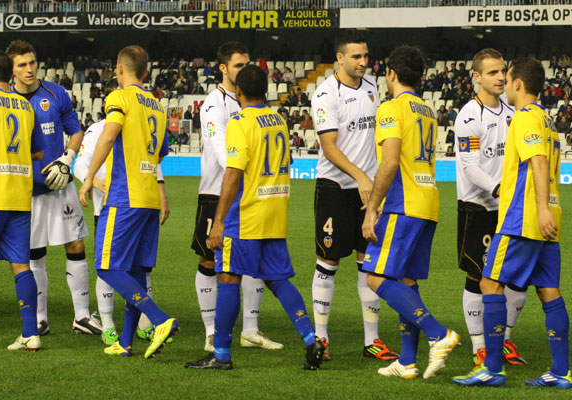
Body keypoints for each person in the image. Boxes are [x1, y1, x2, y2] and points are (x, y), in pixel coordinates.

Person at [184, 65, 325, 371]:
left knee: (228, 278)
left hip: (246, 214)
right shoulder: (278, 120)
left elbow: (233, 173)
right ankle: (312, 338)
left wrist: (219, 220)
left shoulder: (240, 121)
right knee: (277, 279)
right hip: (274, 211)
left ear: (239, 92)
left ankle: (220, 354)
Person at [453, 57, 571, 389]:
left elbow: (536, 160)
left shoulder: (523, 118)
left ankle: (491, 366)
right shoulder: (548, 120)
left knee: (489, 284)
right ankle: (561, 371)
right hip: (548, 216)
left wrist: (538, 210)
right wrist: (549, 207)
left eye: (508, 76)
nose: (504, 80)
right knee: (549, 291)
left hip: (522, 219)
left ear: (518, 83)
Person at [361, 45, 460, 381]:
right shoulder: (427, 109)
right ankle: (407, 361)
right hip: (428, 201)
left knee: (375, 277)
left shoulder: (391, 108)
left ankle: (439, 334)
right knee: (405, 281)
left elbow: (389, 161)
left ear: (391, 74)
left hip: (403, 205)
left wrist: (372, 208)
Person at [78, 45, 178, 358]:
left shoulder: (119, 97)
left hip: (125, 195)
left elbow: (109, 135)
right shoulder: (158, 106)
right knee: (134, 272)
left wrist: (89, 178)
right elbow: (161, 151)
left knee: (106, 267)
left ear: (120, 69)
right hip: (149, 195)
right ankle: (126, 341)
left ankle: (160, 320)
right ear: (146, 72)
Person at [310, 29, 397, 361]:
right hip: (335, 188)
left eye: (366, 55)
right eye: (357, 56)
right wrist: (361, 176)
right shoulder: (325, 94)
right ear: (340, 58)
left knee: (368, 263)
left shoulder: (373, 87)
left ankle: (372, 340)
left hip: (368, 193)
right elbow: (329, 147)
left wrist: (372, 181)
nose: (364, 62)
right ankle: (321, 338)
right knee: (329, 262)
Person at [191, 42, 282, 352]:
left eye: (247, 65)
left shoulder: (252, 103)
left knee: (250, 260)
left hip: (250, 194)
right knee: (209, 260)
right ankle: (211, 331)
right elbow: (222, 153)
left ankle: (251, 329)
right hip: (217, 191)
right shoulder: (214, 105)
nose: (245, 70)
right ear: (223, 69)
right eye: (239, 66)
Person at [6, 40, 100, 336]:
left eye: (32, 62)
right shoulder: (5, 102)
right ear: (12, 70)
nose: (29, 69)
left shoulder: (56, 93)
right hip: (26, 191)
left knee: (75, 245)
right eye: (22, 65)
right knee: (34, 254)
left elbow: (75, 131)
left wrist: (67, 159)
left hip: (60, 185)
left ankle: (82, 316)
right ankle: (40, 318)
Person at [454, 48, 526, 368]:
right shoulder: (469, 116)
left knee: (513, 278)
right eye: (493, 72)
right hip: (478, 207)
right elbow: (470, 166)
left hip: (508, 209)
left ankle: (505, 339)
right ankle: (479, 346)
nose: (501, 77)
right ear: (477, 77)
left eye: (503, 71)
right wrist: (498, 189)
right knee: (478, 277)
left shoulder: (512, 111)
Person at [0, 50, 45, 349]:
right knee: (21, 265)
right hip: (19, 196)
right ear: (10, 73)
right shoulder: (26, 107)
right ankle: (31, 333)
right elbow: (38, 152)